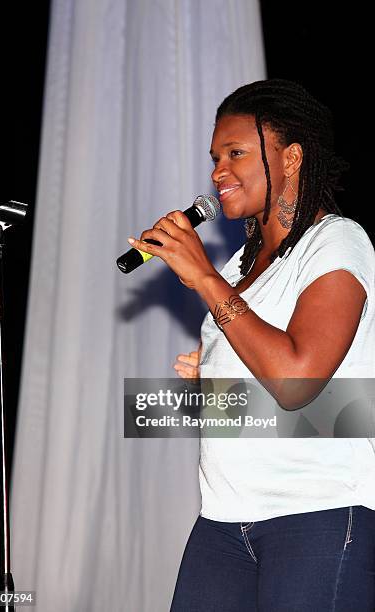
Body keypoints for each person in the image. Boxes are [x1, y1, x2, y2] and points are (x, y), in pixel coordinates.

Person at [127, 79, 375, 611]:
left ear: (291, 158)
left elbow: (295, 381)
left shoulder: (337, 241)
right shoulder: (240, 267)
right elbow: (263, 382)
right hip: (223, 520)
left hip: (317, 514)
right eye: (215, 157)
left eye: (235, 153)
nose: (218, 172)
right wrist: (214, 386)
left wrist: (202, 279)